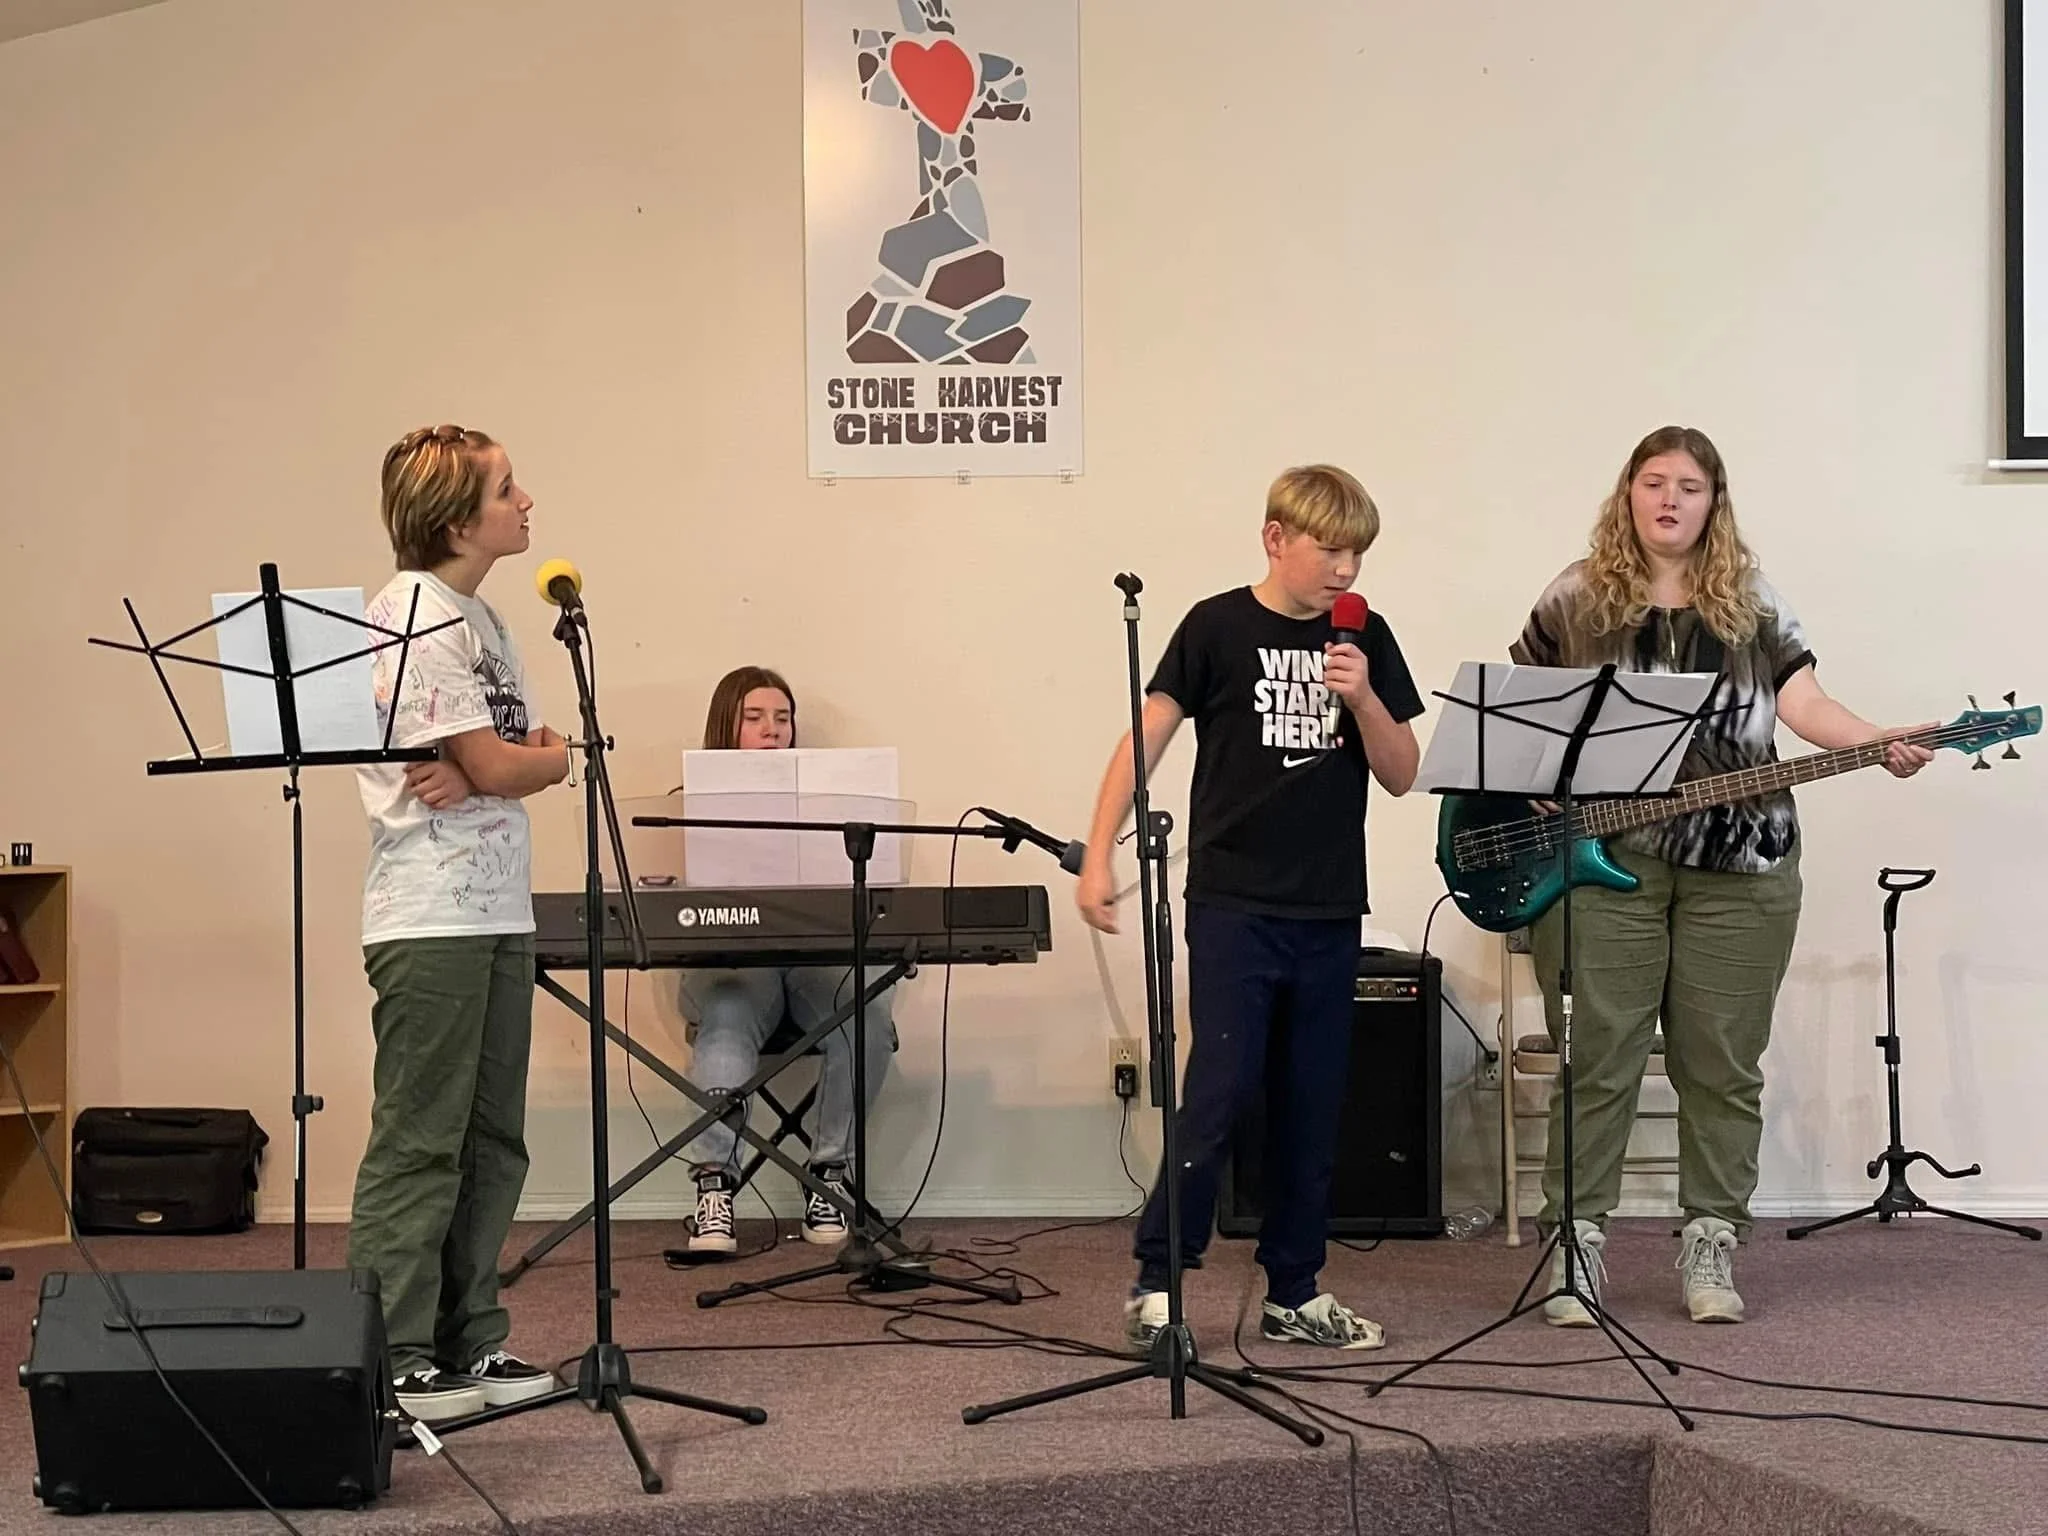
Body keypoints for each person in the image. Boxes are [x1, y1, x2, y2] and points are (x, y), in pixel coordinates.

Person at [1511, 424, 1931, 1327]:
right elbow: (1519, 717)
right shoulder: (1575, 598)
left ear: (1715, 501)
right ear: (1628, 493)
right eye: (1654, 482)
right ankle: (1576, 1244)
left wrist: (1875, 742)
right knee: (1598, 1059)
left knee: (1722, 1065)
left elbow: (1803, 701)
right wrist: (1534, 785)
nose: (1670, 500)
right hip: (1600, 861)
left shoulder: (1753, 600)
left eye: (1690, 487)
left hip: (1742, 865)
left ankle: (1711, 1240)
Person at [1075, 465, 1424, 1353]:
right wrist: (1096, 850)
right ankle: (1159, 1283)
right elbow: (1144, 736)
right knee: (1221, 1092)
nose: (1346, 570)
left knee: (1314, 1103)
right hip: (1234, 902)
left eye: (1358, 554)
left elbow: (1400, 770)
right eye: (1330, 549)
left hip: (1329, 906)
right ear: (1277, 538)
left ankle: (1295, 1289)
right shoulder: (1216, 626)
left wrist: (1362, 696)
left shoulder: (1366, 637)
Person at [349, 424, 572, 1423]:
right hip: (430, 913)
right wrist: (538, 760)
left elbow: (492, 758)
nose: (527, 503)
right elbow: (502, 764)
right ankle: (390, 1357)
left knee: (492, 1137)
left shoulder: (480, 618)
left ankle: (468, 1340)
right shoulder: (412, 614)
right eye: (507, 490)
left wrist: (502, 759)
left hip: (495, 905)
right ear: (453, 518)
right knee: (420, 1139)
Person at [678, 666, 898, 1255]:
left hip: (810, 962)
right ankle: (715, 1187)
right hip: (733, 960)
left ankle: (829, 1173)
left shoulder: (830, 801)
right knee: (726, 1012)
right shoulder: (687, 801)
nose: (772, 730)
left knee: (868, 1012)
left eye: (782, 718)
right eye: (754, 718)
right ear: (727, 726)